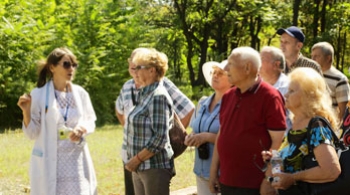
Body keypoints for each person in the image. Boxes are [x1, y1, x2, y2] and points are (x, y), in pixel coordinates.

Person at [17, 47, 97, 195]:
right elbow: (32, 134)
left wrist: (82, 128)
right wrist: (26, 112)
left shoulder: (81, 94)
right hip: (51, 162)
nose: (71, 68)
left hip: (75, 162)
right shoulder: (38, 95)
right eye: (66, 64)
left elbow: (90, 120)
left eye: (74, 65)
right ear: (52, 67)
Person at [115, 48, 194, 195]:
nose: (135, 71)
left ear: (152, 71)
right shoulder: (145, 93)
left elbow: (160, 138)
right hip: (140, 166)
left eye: (139, 67)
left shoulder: (158, 96)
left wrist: (136, 160)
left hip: (153, 167)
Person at [209, 47, 287, 195]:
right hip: (227, 181)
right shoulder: (228, 96)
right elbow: (222, 134)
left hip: (254, 185)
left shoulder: (270, 97)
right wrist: (213, 173)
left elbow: (279, 143)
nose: (225, 69)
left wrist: (268, 178)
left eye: (230, 64)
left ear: (247, 68)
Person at [262, 67, 341, 195]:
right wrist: (275, 159)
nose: (286, 95)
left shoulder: (316, 125)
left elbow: (331, 170)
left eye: (292, 91)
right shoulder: (294, 125)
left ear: (308, 96)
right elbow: (284, 168)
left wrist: (293, 177)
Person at [185, 60, 231, 195]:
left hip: (222, 172)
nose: (215, 76)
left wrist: (206, 137)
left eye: (220, 73)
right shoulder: (203, 102)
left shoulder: (232, 105)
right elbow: (195, 129)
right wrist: (191, 137)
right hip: (200, 169)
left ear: (233, 79)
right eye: (213, 72)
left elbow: (232, 140)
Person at [311, 41, 350, 120]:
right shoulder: (311, 75)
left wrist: (336, 130)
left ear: (328, 58)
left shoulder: (340, 79)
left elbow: (343, 111)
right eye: (312, 56)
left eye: (316, 56)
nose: (312, 59)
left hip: (329, 127)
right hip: (311, 125)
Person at [260, 46, 292, 131]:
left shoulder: (289, 87)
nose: (258, 62)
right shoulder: (255, 86)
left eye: (262, 59)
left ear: (276, 64)